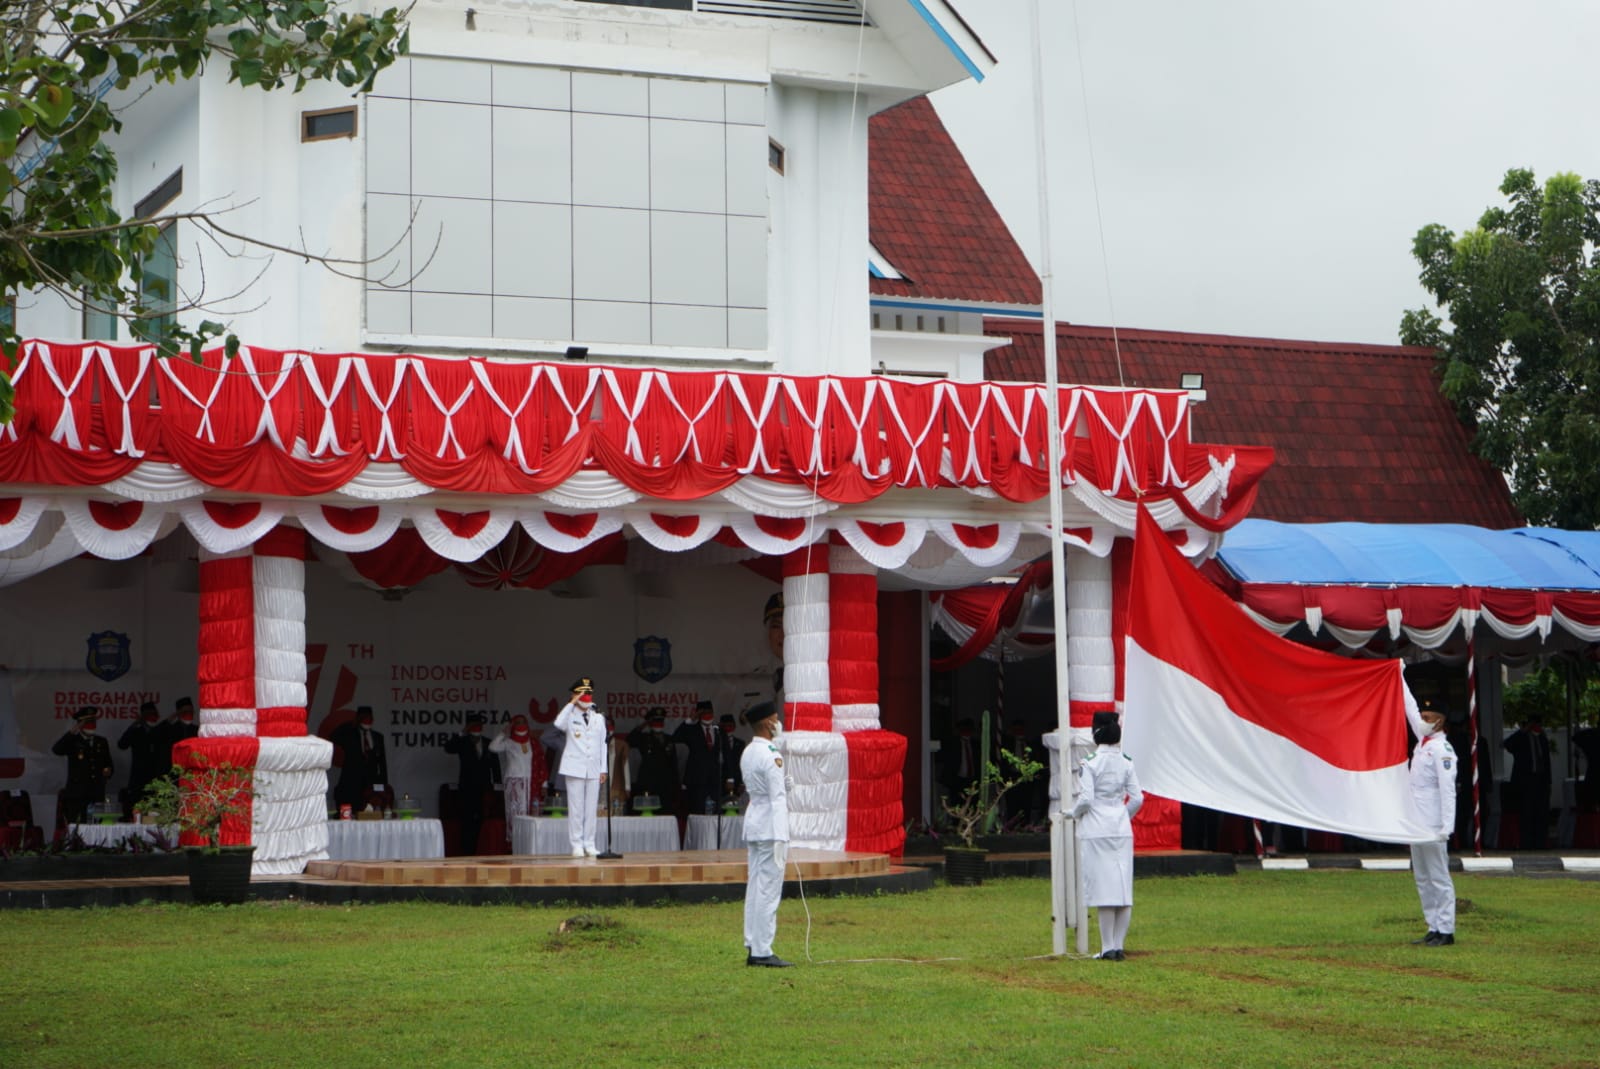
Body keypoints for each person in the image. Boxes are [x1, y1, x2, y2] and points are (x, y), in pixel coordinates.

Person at [1071, 714, 1144, 961]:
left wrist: (1073, 813)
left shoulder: (1090, 762)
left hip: (1097, 828)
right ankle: (1118, 946)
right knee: (1123, 890)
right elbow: (1137, 798)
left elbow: (1086, 799)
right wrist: (1122, 815)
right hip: (1121, 828)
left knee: (1105, 890)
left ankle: (1107, 947)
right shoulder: (1126, 761)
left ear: (1096, 733)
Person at [740, 700, 793, 968]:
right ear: (768, 723)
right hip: (771, 827)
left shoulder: (749, 750)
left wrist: (784, 783)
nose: (778, 723)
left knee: (755, 887)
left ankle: (753, 942)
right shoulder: (772, 754)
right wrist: (783, 836)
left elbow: (760, 787)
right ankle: (762, 950)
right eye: (775, 718)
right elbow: (777, 798)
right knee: (768, 890)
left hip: (755, 822)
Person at [1405, 694, 1458, 946]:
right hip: (1416, 821)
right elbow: (1410, 708)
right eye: (1422, 717)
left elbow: (1448, 790)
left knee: (1438, 876)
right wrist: (1398, 678)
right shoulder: (1422, 743)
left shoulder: (1442, 750)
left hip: (1434, 823)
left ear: (1439, 721)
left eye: (1428, 718)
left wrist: (1447, 825)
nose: (1422, 721)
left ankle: (1446, 929)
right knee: (1422, 877)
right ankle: (1433, 926)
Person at [553, 677, 608, 857]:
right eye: (582, 693)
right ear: (574, 695)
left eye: (588, 693)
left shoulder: (598, 717)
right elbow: (558, 724)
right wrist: (571, 703)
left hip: (593, 768)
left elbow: (603, 744)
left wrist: (603, 769)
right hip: (574, 767)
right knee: (576, 808)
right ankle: (576, 844)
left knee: (591, 809)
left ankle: (589, 843)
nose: (586, 696)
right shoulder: (569, 715)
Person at [444, 713, 499, 855]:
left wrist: (497, 785)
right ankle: (466, 851)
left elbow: (495, 766)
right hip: (467, 787)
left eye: (479, 724)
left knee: (483, 819)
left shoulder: (489, 742)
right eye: (474, 725)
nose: (477, 727)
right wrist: (462, 732)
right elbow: (448, 748)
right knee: (467, 820)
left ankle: (482, 849)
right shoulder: (462, 742)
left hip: (484, 787)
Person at [490, 713, 547, 843]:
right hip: (514, 782)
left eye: (523, 721)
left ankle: (530, 840)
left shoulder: (533, 742)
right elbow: (492, 747)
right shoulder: (508, 742)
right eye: (517, 722)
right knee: (515, 812)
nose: (521, 724)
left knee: (530, 810)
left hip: (531, 782)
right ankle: (515, 841)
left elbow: (541, 764)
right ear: (513, 725)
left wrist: (544, 784)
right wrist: (503, 733)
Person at [52, 707, 114, 825]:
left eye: (94, 721)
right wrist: (72, 732)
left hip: (97, 794)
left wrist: (108, 771)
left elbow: (108, 763)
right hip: (77, 795)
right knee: (77, 828)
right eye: (88, 722)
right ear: (80, 724)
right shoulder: (73, 741)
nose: (92, 725)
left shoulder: (101, 741)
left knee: (97, 828)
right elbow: (56, 750)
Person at [1503, 713, 1553, 849]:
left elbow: (1546, 761)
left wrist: (1549, 782)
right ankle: (1527, 843)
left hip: (1540, 781)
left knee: (1541, 813)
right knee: (1526, 812)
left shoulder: (1542, 738)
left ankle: (1540, 842)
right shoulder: (1522, 739)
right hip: (1525, 782)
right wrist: (1523, 731)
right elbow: (1507, 744)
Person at [674, 699, 727, 816]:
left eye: (709, 712)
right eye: (704, 712)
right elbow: (676, 736)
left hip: (715, 780)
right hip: (697, 780)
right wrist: (691, 719)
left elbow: (727, 755)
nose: (707, 715)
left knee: (716, 814)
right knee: (698, 812)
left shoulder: (719, 730)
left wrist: (729, 778)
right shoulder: (691, 730)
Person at [330, 705, 388, 810]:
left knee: (369, 812)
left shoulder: (378, 737)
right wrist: (352, 723)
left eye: (369, 718)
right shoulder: (349, 735)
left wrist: (384, 784)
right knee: (350, 811)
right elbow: (333, 736)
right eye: (364, 718)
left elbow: (382, 762)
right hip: (351, 781)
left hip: (370, 782)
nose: (367, 721)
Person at [117, 701, 167, 816]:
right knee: (137, 811)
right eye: (149, 715)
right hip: (138, 779)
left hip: (157, 777)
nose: (152, 717)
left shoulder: (161, 731)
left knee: (155, 812)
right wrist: (135, 724)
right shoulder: (136, 731)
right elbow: (122, 745)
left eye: (154, 714)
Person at [626, 708, 678, 812]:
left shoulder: (669, 739)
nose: (658, 724)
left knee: (666, 813)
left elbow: (674, 762)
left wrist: (676, 784)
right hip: (648, 782)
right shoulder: (644, 738)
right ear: (650, 723)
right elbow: (629, 739)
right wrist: (644, 724)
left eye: (660, 721)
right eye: (655, 721)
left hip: (665, 784)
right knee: (649, 812)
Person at [719, 713, 746, 801]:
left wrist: (742, 783)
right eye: (725, 726)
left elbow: (743, 764)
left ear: (734, 727)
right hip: (720, 783)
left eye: (730, 726)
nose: (727, 728)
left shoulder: (740, 743)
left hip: (736, 783)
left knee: (734, 806)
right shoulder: (716, 743)